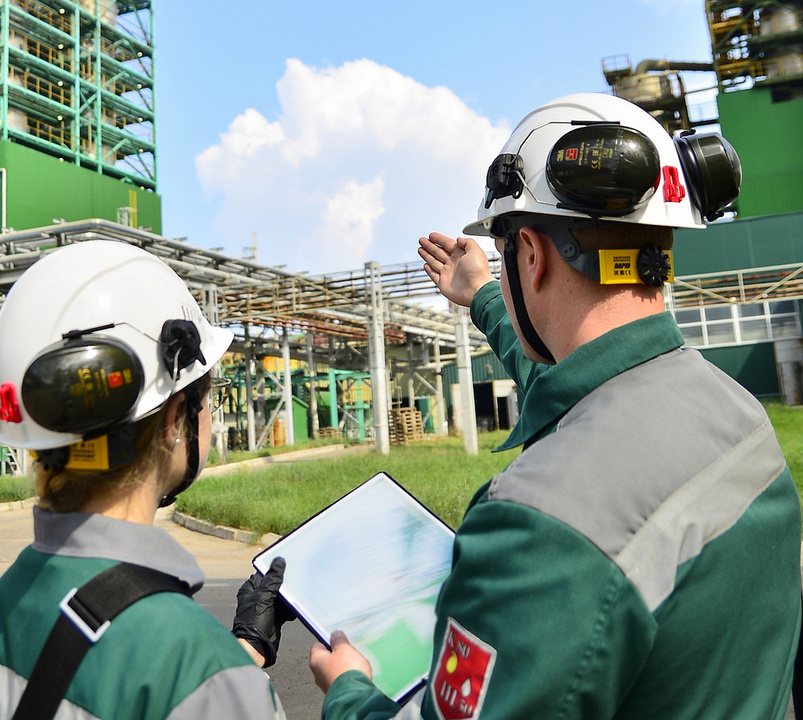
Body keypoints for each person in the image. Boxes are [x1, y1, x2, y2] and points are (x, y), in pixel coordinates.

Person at [310, 92, 802, 719]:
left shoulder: (535, 525)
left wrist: (350, 691)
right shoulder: (741, 419)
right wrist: (485, 292)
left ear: (534, 257)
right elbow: (567, 379)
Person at [0, 240, 290, 720]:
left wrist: (240, 653)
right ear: (172, 421)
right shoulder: (203, 671)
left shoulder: (11, 597)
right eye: (206, 395)